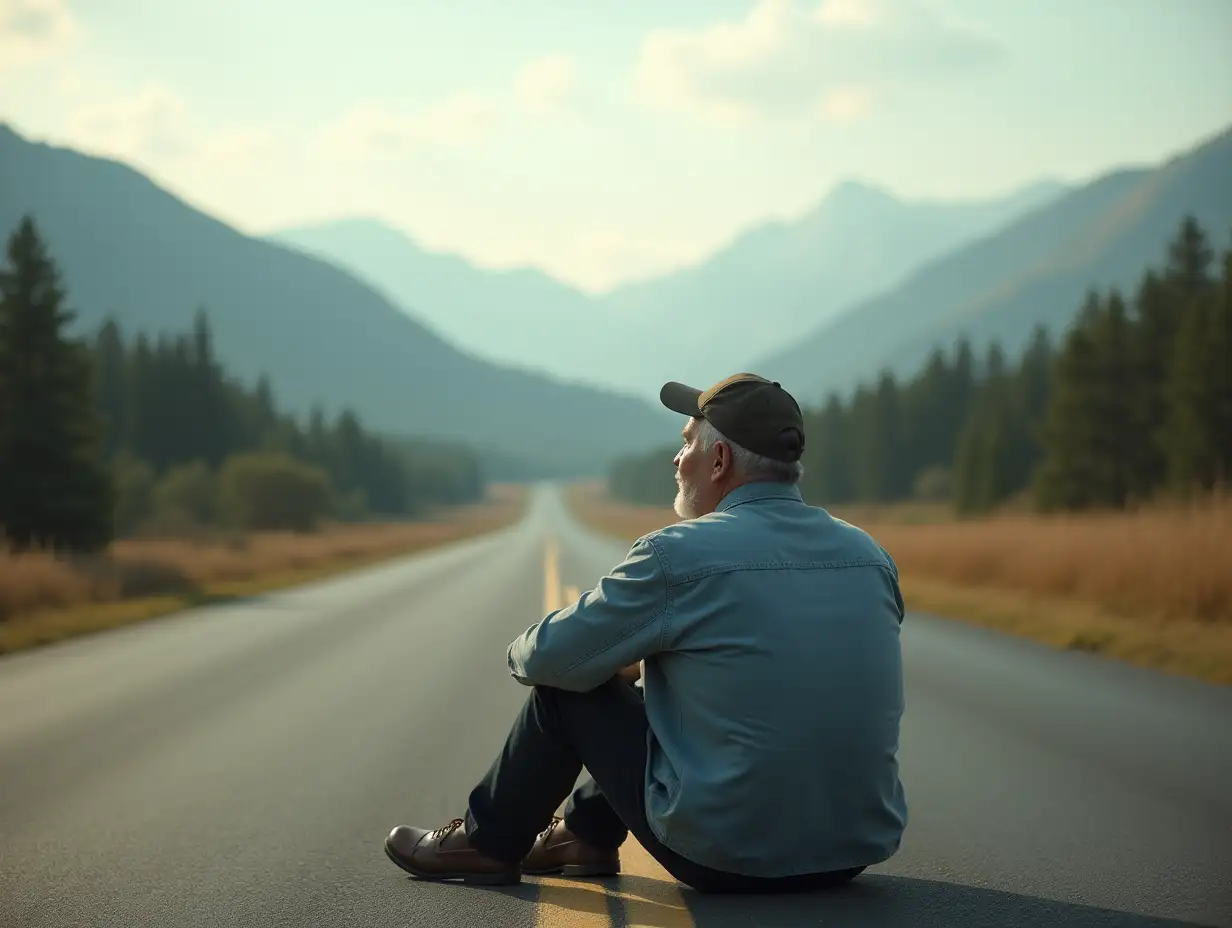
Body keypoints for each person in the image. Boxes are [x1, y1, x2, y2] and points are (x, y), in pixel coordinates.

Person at [383, 372, 908, 893]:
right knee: (665, 686)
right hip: (850, 852)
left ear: (720, 460)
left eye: (686, 444)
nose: (677, 460)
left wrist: (587, 658)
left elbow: (549, 658)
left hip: (726, 856)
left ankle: (487, 843)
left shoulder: (678, 554)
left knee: (569, 690)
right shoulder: (870, 555)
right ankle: (585, 834)